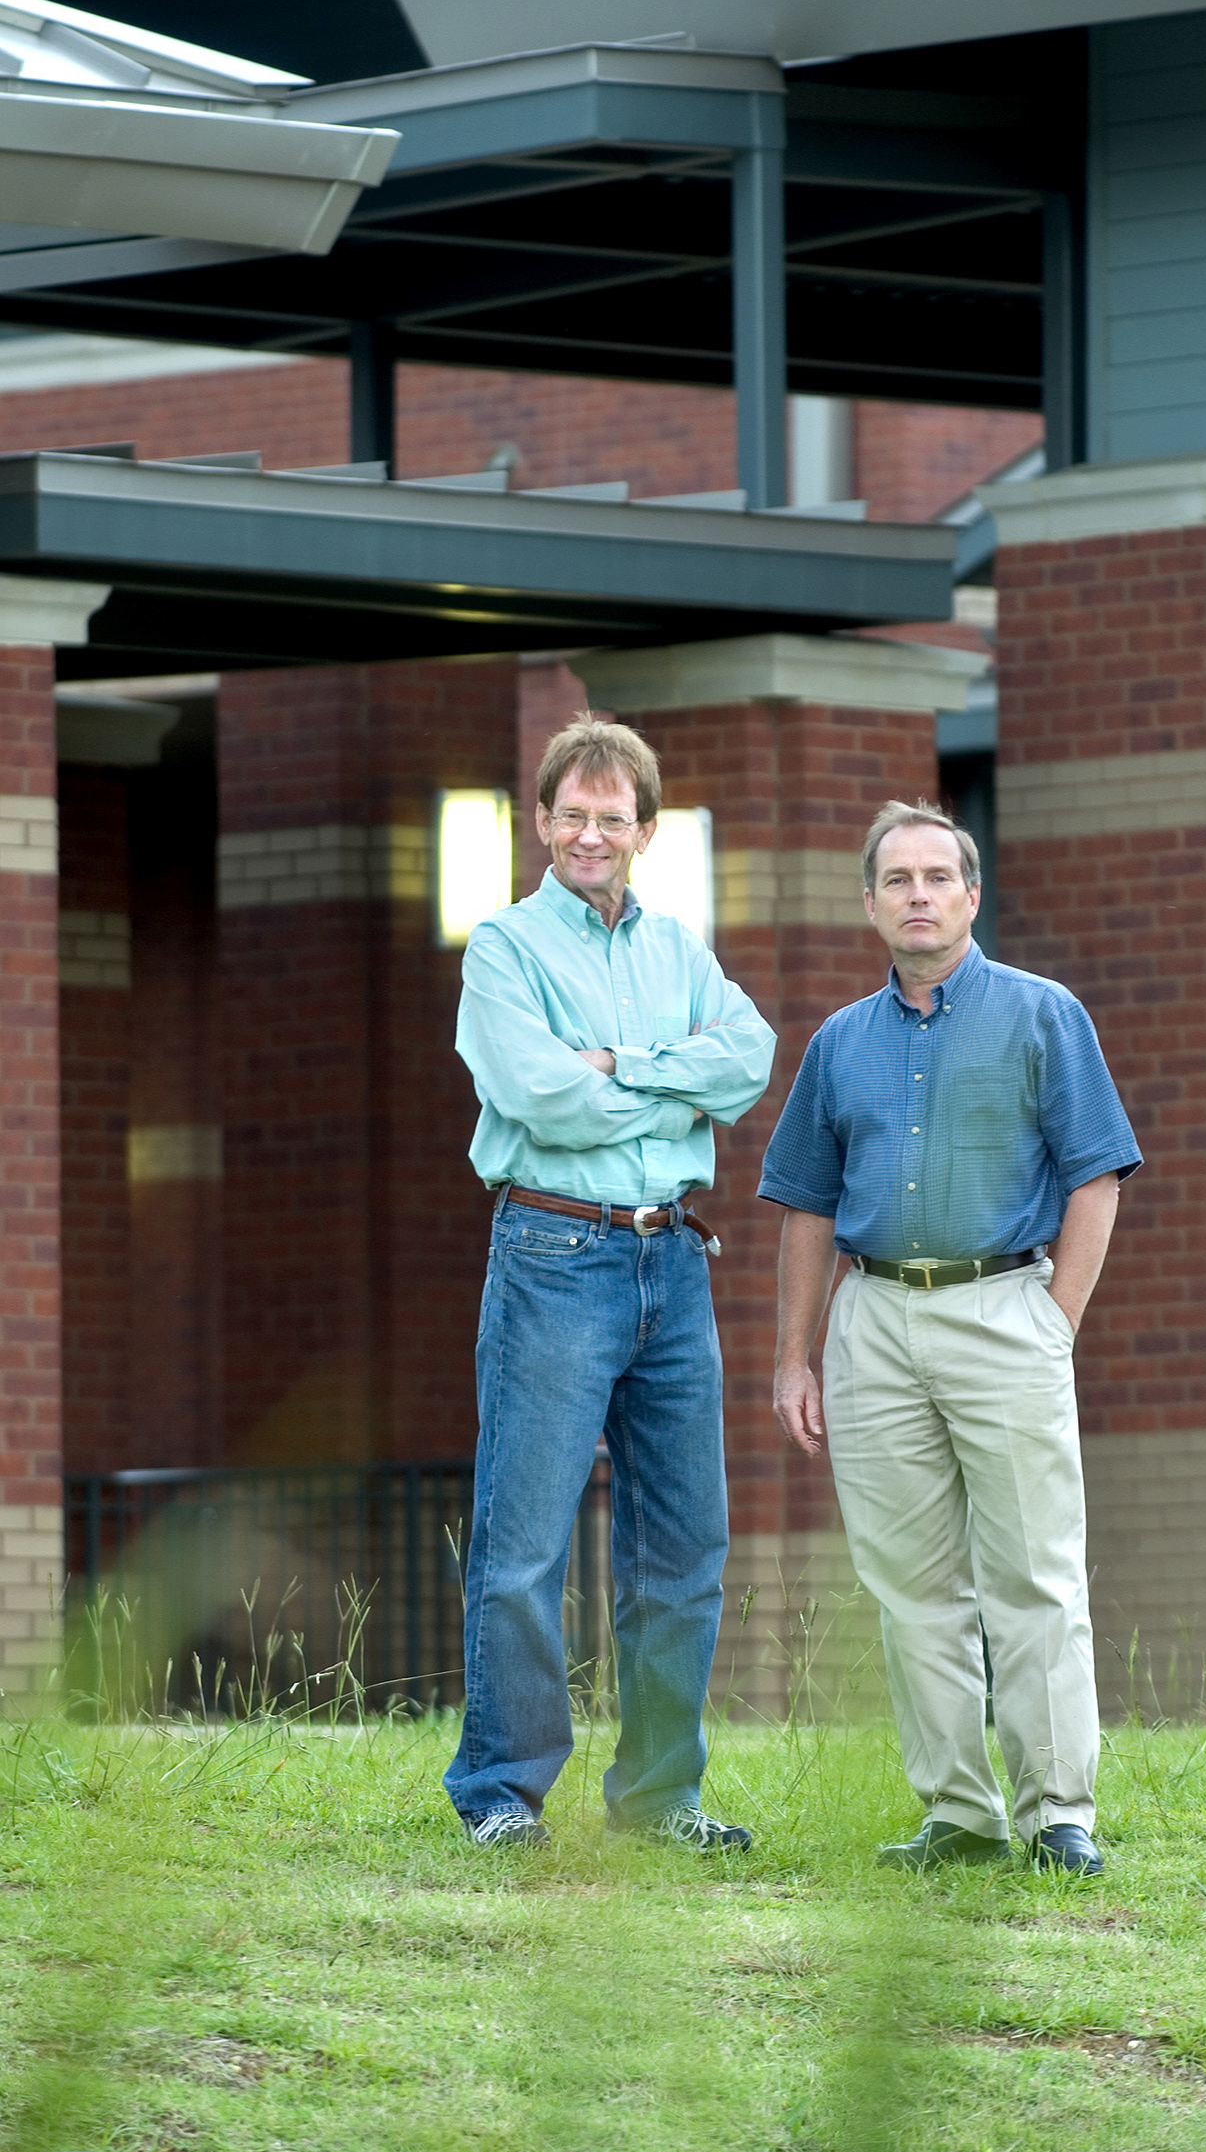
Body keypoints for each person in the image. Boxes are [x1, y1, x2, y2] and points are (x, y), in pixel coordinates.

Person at [761, 799, 1140, 1875]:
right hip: (871, 1322)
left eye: (939, 877)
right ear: (869, 903)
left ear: (971, 896)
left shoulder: (1041, 1014)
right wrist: (796, 1354)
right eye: (898, 880)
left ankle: (1058, 1812)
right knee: (910, 1590)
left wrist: (1048, 1321)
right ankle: (959, 1815)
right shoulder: (838, 1044)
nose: (918, 895)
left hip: (1002, 1307)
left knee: (1034, 1575)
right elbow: (805, 1206)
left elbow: (1097, 1174)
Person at [444, 716, 776, 1851]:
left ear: (644, 828)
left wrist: (624, 1066)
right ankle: (502, 1793)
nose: (592, 832)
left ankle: (659, 1799)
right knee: (526, 1542)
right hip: (553, 1254)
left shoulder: (681, 948)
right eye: (572, 813)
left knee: (685, 1547)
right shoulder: (502, 947)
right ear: (543, 821)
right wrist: (672, 1090)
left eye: (613, 816)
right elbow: (538, 1094)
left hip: (673, 1259)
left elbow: (748, 1057)